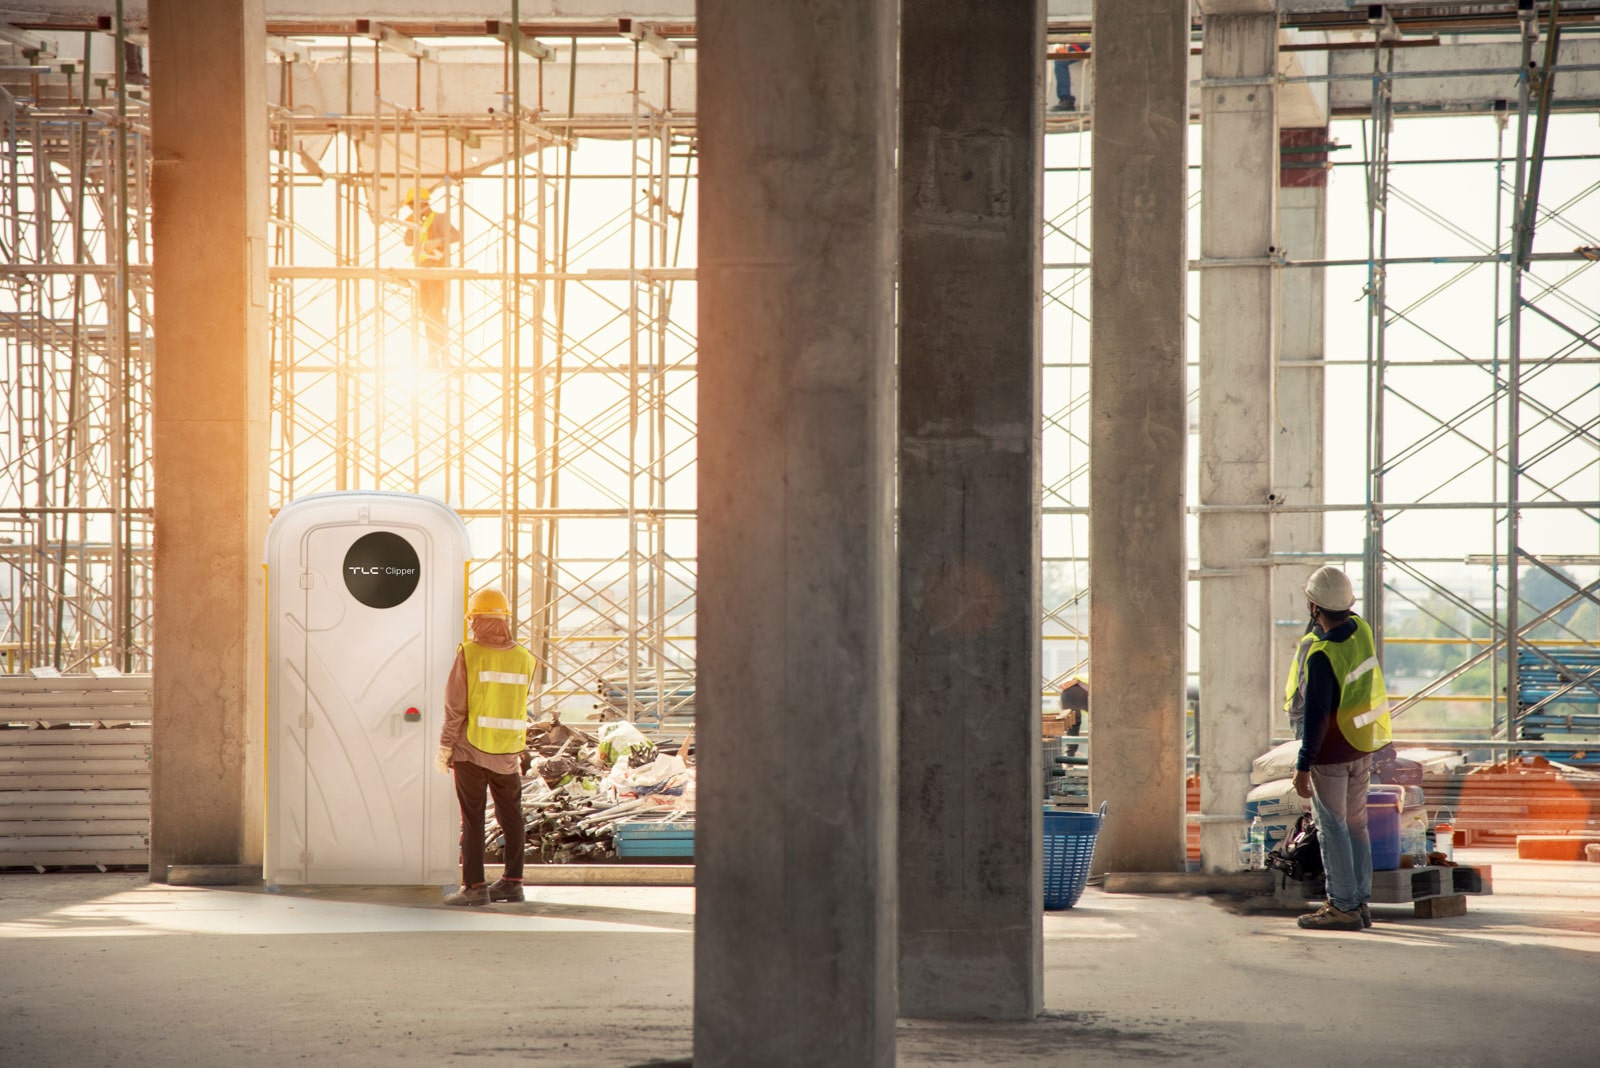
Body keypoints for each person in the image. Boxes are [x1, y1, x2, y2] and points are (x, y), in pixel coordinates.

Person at [1289, 566, 1393, 931]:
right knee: (1356, 825)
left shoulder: (1320, 657)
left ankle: (1343, 907)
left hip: (1331, 754)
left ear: (1314, 607)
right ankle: (1360, 902)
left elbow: (1316, 717)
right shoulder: (1360, 630)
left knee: (1331, 827)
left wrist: (1304, 764)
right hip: (1360, 746)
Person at [437, 587, 536, 906]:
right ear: (505, 620)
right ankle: (513, 883)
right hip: (508, 752)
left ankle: (475, 887)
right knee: (512, 817)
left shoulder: (469, 653)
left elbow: (456, 708)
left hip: (470, 750)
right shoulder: (524, 658)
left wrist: (444, 748)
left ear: (475, 620)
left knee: (473, 819)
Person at [402, 186, 459, 366]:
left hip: (437, 272)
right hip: (422, 275)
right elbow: (407, 241)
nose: (412, 209)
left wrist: (438, 241)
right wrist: (413, 224)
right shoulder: (414, 221)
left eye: (414, 206)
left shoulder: (439, 219)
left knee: (435, 313)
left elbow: (456, 235)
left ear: (422, 203)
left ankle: (442, 355)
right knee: (427, 315)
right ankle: (433, 356)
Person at [1051, 42, 1087, 113]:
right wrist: (1060, 47)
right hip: (1075, 44)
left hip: (1094, 42)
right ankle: (1066, 100)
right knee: (1060, 59)